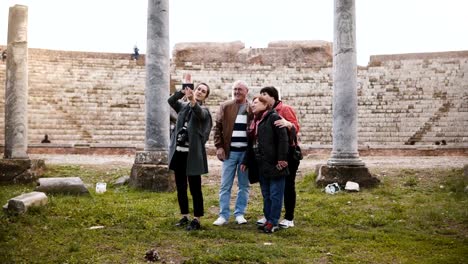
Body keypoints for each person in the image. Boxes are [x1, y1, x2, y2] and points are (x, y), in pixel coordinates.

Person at [168, 73, 212, 231]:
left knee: (195, 188)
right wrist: (183, 91)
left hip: (192, 155)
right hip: (179, 152)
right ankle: (185, 215)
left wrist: (192, 99)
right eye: (198, 88)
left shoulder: (205, 111)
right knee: (180, 186)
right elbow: (171, 101)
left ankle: (197, 219)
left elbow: (199, 113)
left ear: (205, 96)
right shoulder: (183, 106)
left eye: (203, 91)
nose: (200, 91)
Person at [241, 95, 289, 233]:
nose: (253, 105)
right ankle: (268, 219)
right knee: (266, 194)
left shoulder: (274, 118)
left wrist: (282, 159)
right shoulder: (255, 121)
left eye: (256, 103)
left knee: (275, 194)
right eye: (252, 103)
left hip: (275, 164)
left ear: (266, 104)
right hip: (261, 164)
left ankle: (273, 222)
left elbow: (283, 139)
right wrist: (245, 161)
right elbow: (251, 144)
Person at [257, 86, 300, 229]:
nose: (262, 96)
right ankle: (270, 216)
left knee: (288, 185)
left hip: (288, 153)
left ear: (273, 97)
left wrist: (288, 124)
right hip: (272, 155)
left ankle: (289, 217)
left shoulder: (285, 109)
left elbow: (296, 128)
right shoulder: (263, 113)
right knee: (271, 187)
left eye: (265, 94)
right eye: (261, 93)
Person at [212, 80, 252, 226]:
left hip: (245, 153)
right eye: (235, 89)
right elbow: (217, 128)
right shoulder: (226, 106)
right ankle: (223, 215)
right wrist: (219, 147)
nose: (236, 92)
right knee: (225, 185)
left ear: (246, 91)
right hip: (230, 153)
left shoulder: (252, 108)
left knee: (244, 185)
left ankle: (240, 213)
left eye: (240, 89)